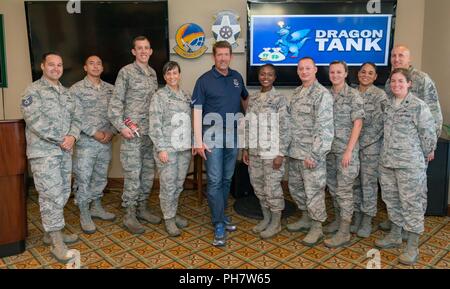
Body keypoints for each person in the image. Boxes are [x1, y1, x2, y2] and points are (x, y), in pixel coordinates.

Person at [21, 52, 81, 263]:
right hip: (44, 153)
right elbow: (34, 120)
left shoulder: (66, 93)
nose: (56, 68)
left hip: (64, 151)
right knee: (51, 194)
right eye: (51, 65)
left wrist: (73, 135)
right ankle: (56, 242)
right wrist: (61, 139)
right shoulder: (33, 91)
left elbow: (77, 118)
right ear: (42, 66)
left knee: (63, 192)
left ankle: (51, 232)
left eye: (60, 65)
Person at [375, 68, 436, 265]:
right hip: (387, 163)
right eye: (393, 81)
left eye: (401, 81)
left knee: (412, 204)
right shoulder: (387, 105)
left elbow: (428, 135)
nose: (396, 85)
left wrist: (424, 155)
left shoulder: (418, 106)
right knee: (392, 201)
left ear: (409, 83)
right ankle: (394, 235)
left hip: (410, 165)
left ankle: (412, 246)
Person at [192, 41, 249, 246]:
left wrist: (247, 122)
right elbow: (197, 111)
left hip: (233, 134)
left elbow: (245, 99)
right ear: (213, 57)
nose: (223, 58)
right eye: (219, 55)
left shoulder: (237, 78)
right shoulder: (204, 80)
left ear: (230, 56)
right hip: (211, 135)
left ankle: (222, 216)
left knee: (227, 179)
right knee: (215, 180)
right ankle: (217, 223)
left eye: (226, 54)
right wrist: (198, 141)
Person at [380, 45, 443, 232]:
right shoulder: (389, 82)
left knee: (414, 193)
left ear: (409, 59)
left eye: (401, 56)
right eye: (394, 56)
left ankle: (412, 229)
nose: (397, 59)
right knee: (394, 192)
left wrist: (430, 147)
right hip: (393, 151)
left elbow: (434, 113)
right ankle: (397, 224)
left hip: (414, 151)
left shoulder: (422, 79)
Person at [108, 36, 161, 234]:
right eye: (139, 48)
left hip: (149, 134)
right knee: (132, 175)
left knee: (147, 173)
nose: (143, 51)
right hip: (132, 134)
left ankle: (142, 208)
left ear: (151, 50)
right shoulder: (126, 72)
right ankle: (129, 214)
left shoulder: (153, 74)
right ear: (133, 51)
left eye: (146, 48)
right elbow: (115, 104)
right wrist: (122, 127)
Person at [286, 57, 334, 246]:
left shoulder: (322, 94)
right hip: (295, 152)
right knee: (296, 189)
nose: (304, 71)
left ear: (315, 70)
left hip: (311, 155)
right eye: (301, 69)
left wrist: (315, 155)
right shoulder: (297, 92)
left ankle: (317, 227)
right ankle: (305, 217)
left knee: (314, 192)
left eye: (308, 68)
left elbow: (325, 128)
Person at [242, 64, 290, 239]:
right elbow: (247, 125)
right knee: (259, 186)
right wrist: (245, 148)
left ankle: (276, 223)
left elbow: (285, 128)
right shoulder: (253, 99)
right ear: (259, 76)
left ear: (274, 77)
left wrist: (281, 153)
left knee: (272, 189)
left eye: (270, 74)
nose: (266, 77)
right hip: (254, 152)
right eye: (263, 74)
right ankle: (267, 218)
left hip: (272, 153)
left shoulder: (279, 99)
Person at [71, 55, 117, 234]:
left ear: (102, 68)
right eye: (91, 63)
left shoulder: (110, 90)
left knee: (100, 177)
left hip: (106, 141)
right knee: (84, 179)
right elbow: (76, 117)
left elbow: (116, 114)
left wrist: (111, 132)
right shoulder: (76, 90)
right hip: (86, 143)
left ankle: (96, 207)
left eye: (99, 63)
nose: (96, 66)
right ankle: (84, 213)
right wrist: (95, 133)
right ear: (85, 67)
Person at [149, 61, 192, 237]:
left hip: (184, 149)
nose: (172, 76)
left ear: (179, 74)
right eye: (168, 74)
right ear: (164, 77)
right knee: (167, 186)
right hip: (167, 149)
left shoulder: (186, 96)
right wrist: (161, 149)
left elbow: (191, 123)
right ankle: (169, 219)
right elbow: (155, 124)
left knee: (178, 185)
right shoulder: (159, 96)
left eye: (175, 73)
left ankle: (173, 214)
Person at [325, 61, 365, 248]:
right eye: (332, 72)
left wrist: (349, 151)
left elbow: (358, 124)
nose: (335, 75)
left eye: (339, 72)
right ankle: (337, 220)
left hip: (345, 152)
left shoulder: (353, 95)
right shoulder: (326, 95)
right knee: (333, 189)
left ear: (346, 73)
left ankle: (344, 231)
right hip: (329, 151)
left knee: (344, 192)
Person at [351, 63, 387, 238]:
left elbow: (381, 124)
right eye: (363, 72)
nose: (366, 75)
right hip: (351, 147)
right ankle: (357, 217)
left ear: (375, 77)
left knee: (368, 185)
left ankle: (367, 220)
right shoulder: (351, 93)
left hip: (370, 148)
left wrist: (362, 142)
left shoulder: (380, 96)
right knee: (355, 184)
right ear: (358, 74)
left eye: (370, 73)